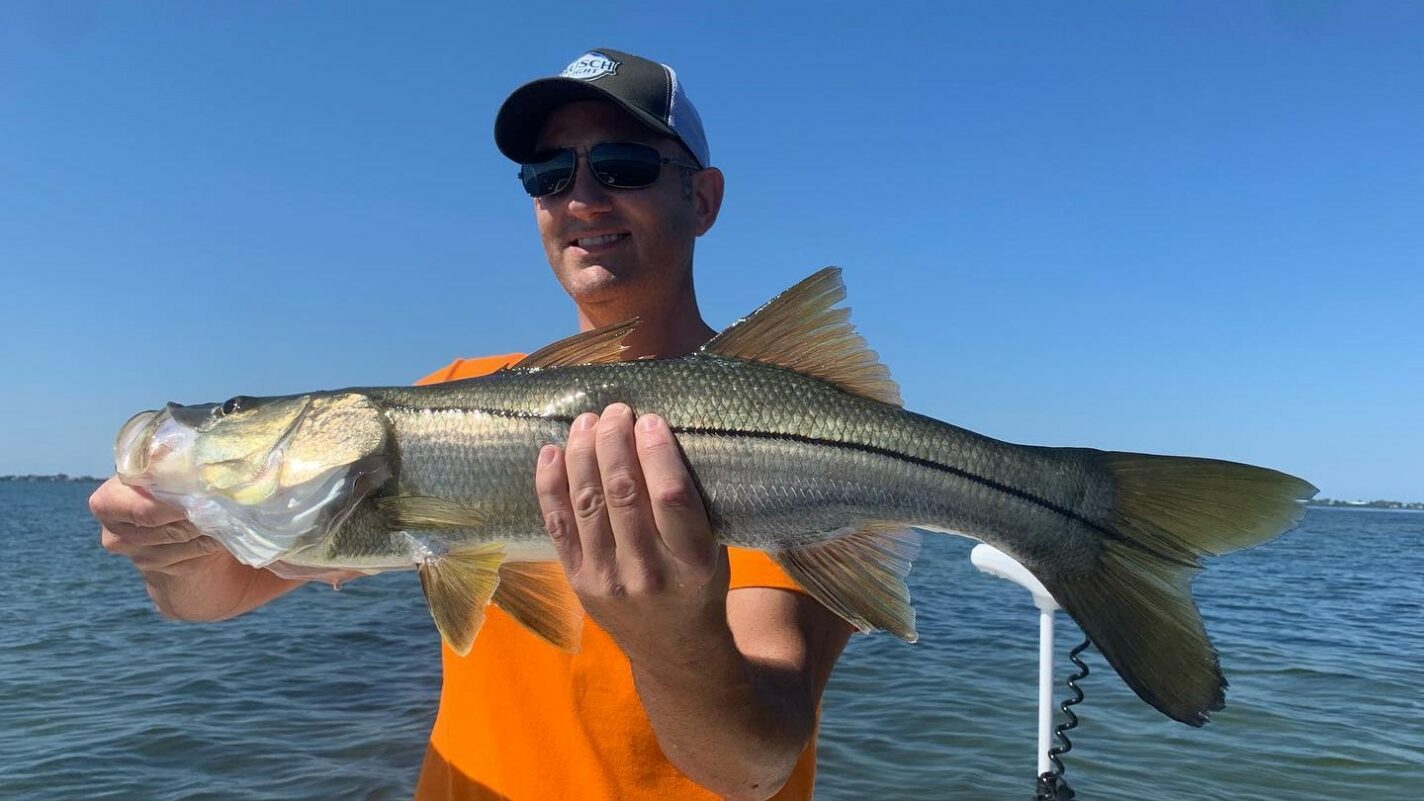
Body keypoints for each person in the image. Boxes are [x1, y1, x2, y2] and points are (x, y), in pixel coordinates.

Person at [91, 48, 852, 801]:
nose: (581, 197)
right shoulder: (452, 393)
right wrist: (176, 555)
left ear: (704, 198)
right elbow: (215, 594)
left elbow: (753, 765)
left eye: (623, 164)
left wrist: (672, 637)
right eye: (548, 175)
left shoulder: (806, 434)